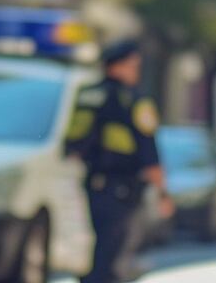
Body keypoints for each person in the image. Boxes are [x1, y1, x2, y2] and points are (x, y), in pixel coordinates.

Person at [65, 41, 174, 283]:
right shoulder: (134, 100)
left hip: (91, 185)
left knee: (99, 250)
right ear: (121, 66)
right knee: (113, 259)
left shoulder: (88, 93)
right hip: (122, 190)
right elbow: (150, 154)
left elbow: (72, 145)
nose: (137, 72)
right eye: (134, 66)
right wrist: (164, 194)